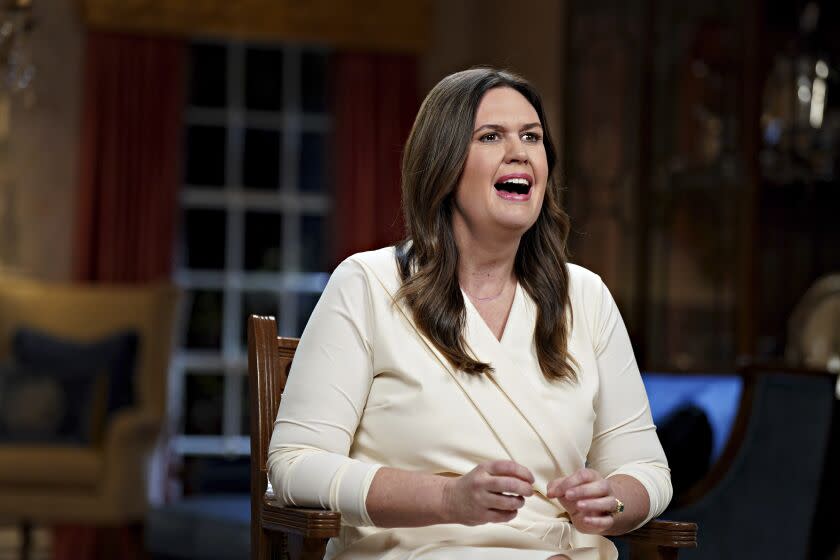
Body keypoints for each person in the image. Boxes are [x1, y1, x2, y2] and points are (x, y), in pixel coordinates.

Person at [267, 67, 672, 560]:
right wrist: (447, 498)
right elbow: (293, 466)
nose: (519, 151)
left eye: (532, 136)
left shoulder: (585, 297)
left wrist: (614, 499)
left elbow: (647, 470)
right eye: (491, 136)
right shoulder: (367, 284)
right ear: (443, 164)